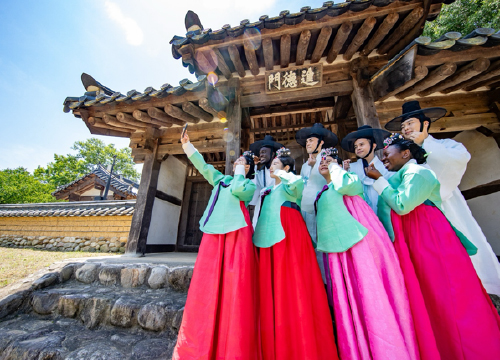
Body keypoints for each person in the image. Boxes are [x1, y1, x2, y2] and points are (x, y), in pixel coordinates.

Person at [366, 133, 500, 360]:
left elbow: (402, 205)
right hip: (416, 240)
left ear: (406, 153)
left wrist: (379, 180)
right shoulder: (402, 175)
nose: (384, 159)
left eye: (387, 154)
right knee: (430, 300)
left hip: (430, 240)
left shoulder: (419, 172)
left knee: (448, 298)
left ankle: (472, 351)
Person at [315, 147, 420, 360]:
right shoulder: (325, 189)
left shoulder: (348, 180)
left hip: (358, 246)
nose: (324, 163)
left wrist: (336, 166)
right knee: (351, 302)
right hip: (338, 252)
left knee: (371, 294)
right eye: (322, 161)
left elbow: (347, 185)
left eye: (329, 160)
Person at [385, 100, 500, 295]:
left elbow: (456, 161)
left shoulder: (445, 146)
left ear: (425, 124)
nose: (406, 129)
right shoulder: (403, 155)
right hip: (416, 211)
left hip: (447, 205)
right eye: (404, 126)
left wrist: (424, 144)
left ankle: (484, 290)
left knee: (461, 247)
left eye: (410, 123)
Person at [173, 131, 261, 360]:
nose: (237, 165)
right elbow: (202, 166)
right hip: (213, 234)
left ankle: (231, 345)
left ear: (248, 169)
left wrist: (242, 173)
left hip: (237, 235)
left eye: (242, 163)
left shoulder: (249, 185)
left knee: (235, 287)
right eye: (236, 163)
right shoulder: (220, 180)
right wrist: (187, 146)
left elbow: (239, 191)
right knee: (206, 284)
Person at [253, 147, 338, 360]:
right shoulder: (266, 191)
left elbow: (298, 185)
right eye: (271, 165)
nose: (271, 167)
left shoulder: (292, 186)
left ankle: (297, 339)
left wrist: (282, 173)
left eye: (276, 164)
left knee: (292, 283)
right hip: (267, 236)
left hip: (288, 234)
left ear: (287, 168)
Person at [295, 123, 338, 279]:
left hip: (323, 209)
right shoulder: (306, 165)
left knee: (323, 246)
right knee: (309, 246)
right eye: (307, 141)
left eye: (311, 140)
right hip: (306, 211)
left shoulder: (327, 161)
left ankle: (328, 284)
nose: (308, 143)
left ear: (321, 143)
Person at [340, 125, 392, 214]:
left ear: (373, 145)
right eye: (356, 146)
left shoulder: (385, 167)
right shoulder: (351, 167)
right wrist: (344, 172)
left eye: (361, 144)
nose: (358, 148)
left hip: (382, 210)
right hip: (360, 213)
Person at [249, 135, 284, 229]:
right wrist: (253, 166)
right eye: (260, 153)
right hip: (261, 213)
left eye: (264, 152)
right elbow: (252, 198)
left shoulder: (283, 172)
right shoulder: (259, 174)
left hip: (278, 211)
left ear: (273, 154)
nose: (261, 155)